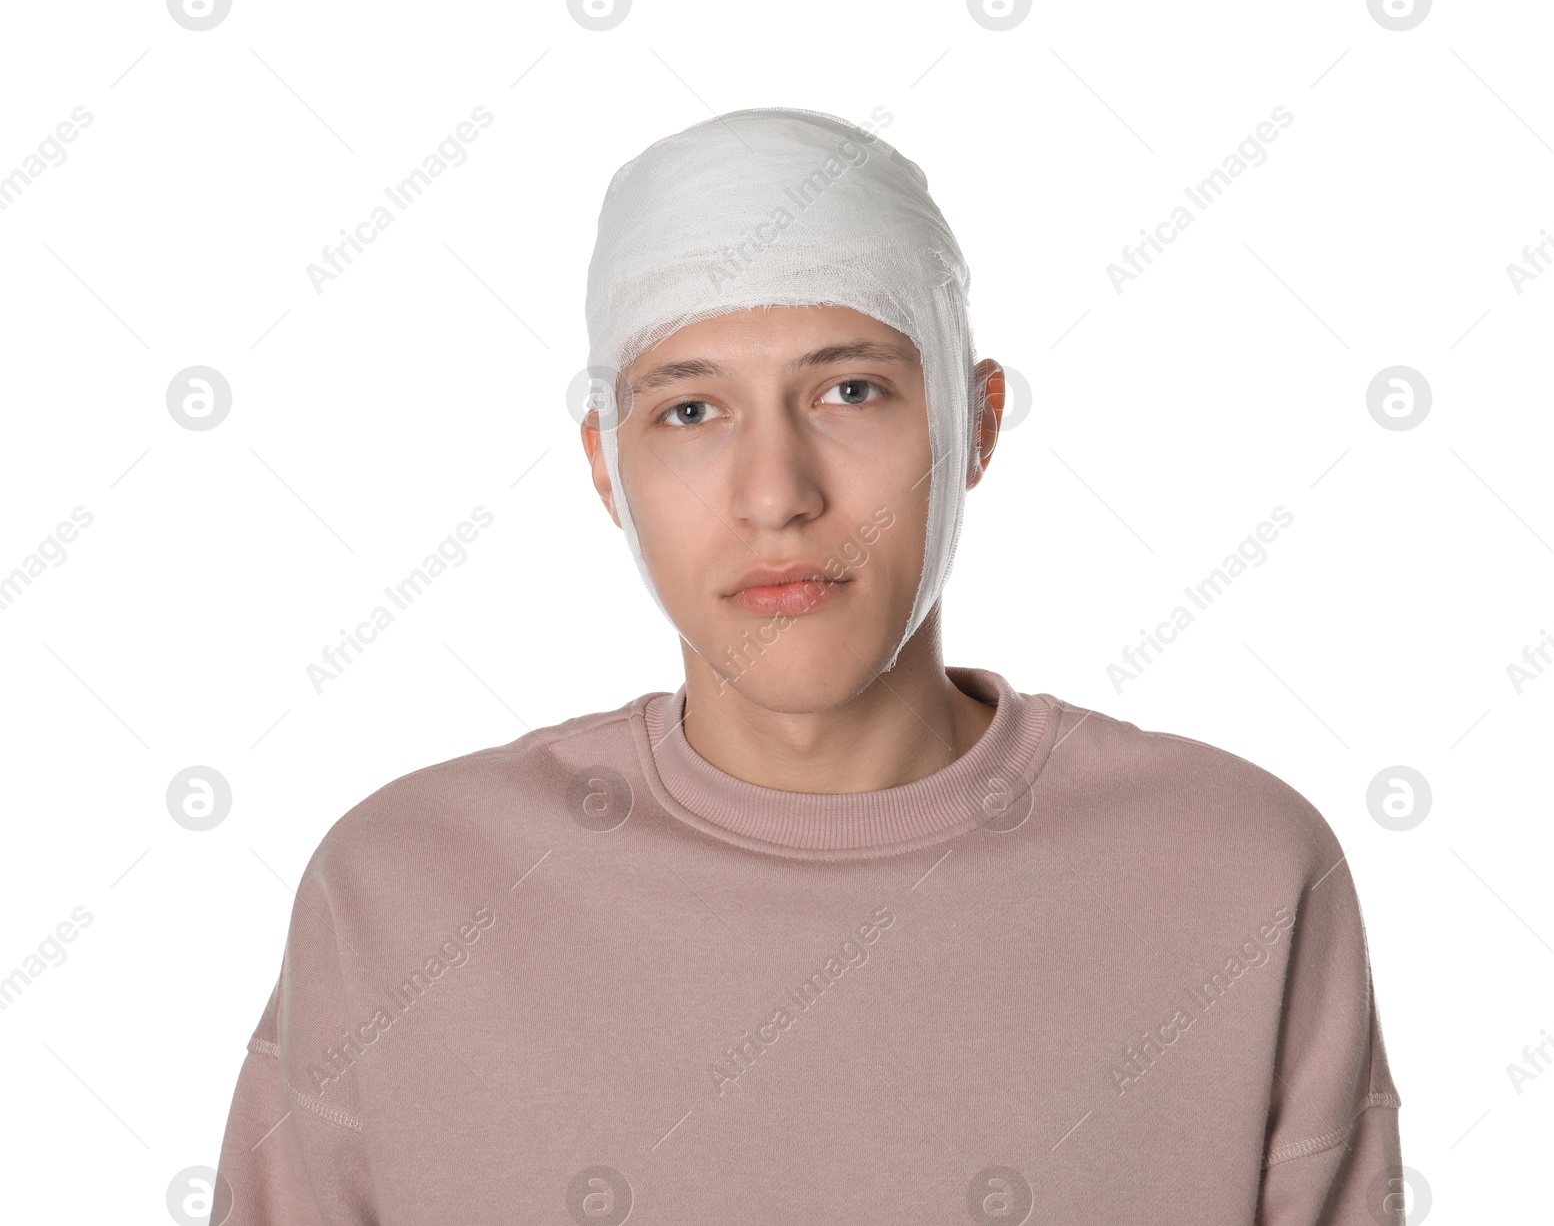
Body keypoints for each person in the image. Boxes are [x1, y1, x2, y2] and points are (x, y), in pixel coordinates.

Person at [209, 108, 1403, 1225]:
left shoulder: (1235, 872)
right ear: (603, 464)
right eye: (688, 410)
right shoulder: (404, 893)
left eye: (850, 390)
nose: (776, 494)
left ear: (975, 423)